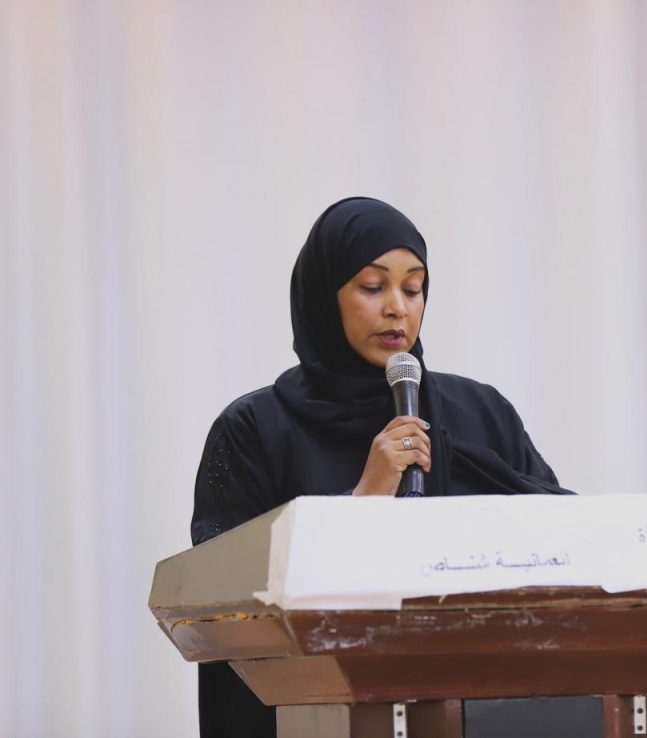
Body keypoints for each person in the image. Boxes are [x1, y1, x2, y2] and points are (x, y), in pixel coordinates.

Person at [190, 196, 572, 736]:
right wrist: (361, 502)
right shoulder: (254, 429)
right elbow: (221, 599)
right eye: (373, 287)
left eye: (413, 289)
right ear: (325, 296)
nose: (397, 308)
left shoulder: (482, 413)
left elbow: (560, 547)